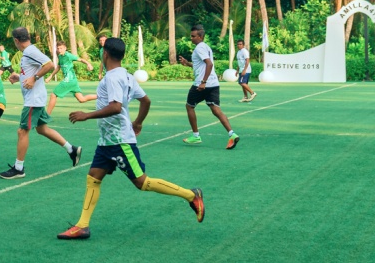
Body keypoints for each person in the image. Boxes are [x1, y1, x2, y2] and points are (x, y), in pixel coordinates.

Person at [57, 37, 205, 240]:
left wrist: (86, 115)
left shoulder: (112, 77)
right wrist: (138, 122)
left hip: (120, 142)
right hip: (107, 141)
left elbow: (116, 106)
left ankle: (191, 195)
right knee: (93, 177)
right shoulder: (126, 75)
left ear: (105, 54)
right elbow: (145, 100)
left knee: (142, 182)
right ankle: (82, 225)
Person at [0, 27, 82, 179]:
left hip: (33, 100)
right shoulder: (28, 52)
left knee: (22, 131)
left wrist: (34, 78)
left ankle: (19, 168)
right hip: (35, 98)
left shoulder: (30, 51)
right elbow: (33, 72)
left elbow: (49, 64)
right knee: (42, 129)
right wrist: (20, 77)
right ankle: (72, 149)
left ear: (16, 40)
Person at [178, 25, 239, 149]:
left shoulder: (199, 48)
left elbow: (209, 64)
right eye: (191, 36)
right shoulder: (205, 47)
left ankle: (196, 136)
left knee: (189, 106)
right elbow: (200, 65)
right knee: (215, 109)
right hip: (214, 84)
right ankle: (232, 134)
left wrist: (203, 82)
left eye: (193, 36)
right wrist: (187, 63)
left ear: (200, 36)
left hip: (202, 84)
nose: (191, 38)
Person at [46, 41, 96, 114]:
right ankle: (102, 96)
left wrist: (88, 64)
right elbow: (58, 67)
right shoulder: (60, 56)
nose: (59, 50)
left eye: (61, 48)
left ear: (65, 48)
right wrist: (50, 76)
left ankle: (46, 116)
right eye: (58, 48)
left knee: (53, 95)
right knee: (81, 99)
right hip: (73, 81)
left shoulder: (69, 55)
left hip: (68, 80)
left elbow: (81, 59)